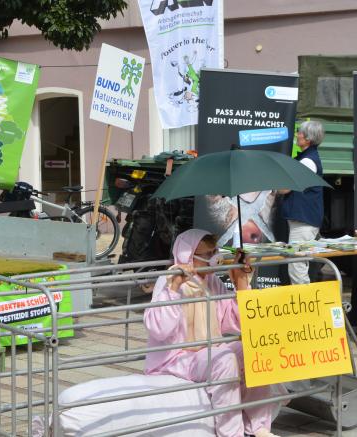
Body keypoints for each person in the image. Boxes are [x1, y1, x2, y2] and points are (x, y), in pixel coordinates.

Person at [144, 229, 285, 437]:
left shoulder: (211, 281)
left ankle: (259, 427)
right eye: (208, 255)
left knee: (255, 349)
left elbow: (235, 320)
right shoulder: (167, 281)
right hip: (177, 357)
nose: (215, 258)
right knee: (225, 360)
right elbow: (160, 329)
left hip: (208, 350)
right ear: (187, 256)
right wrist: (174, 288)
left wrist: (241, 282)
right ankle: (231, 433)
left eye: (215, 252)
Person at [278, 120, 325, 284]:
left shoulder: (308, 161)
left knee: (296, 265)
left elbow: (286, 188)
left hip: (304, 222)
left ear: (308, 139)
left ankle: (305, 307)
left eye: (300, 132)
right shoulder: (306, 158)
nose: (297, 135)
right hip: (303, 221)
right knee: (298, 263)